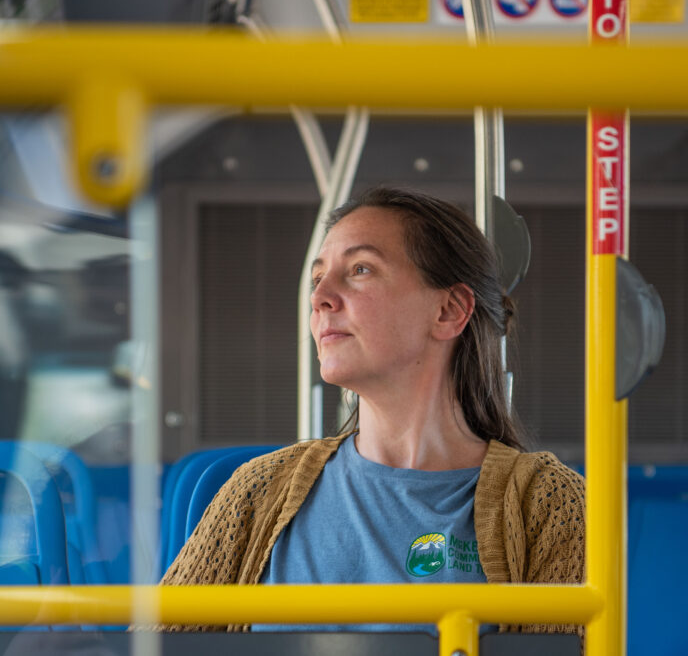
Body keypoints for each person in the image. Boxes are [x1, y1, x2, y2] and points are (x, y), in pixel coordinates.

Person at [160, 186, 585, 637]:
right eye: (317, 277)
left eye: (360, 269)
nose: (320, 296)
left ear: (448, 310)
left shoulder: (548, 502)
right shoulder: (256, 490)